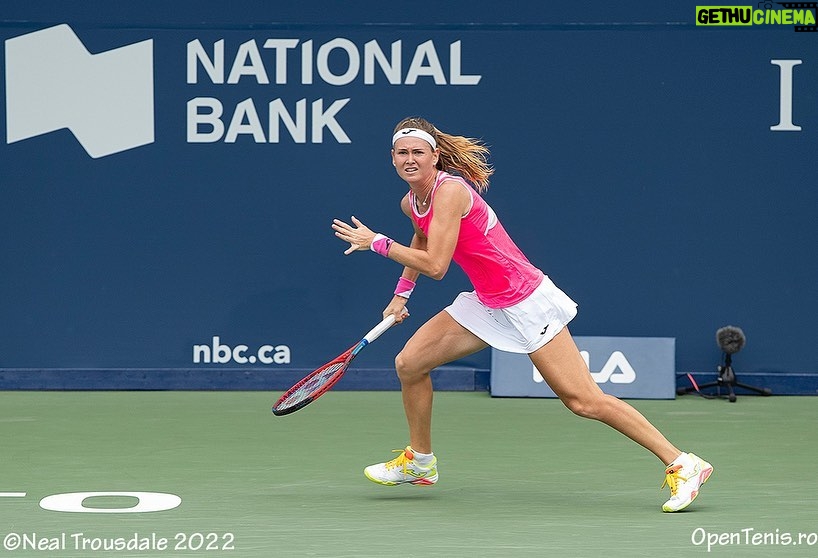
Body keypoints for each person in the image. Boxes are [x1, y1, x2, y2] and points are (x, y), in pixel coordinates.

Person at [331, 116, 713, 512]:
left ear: (435, 157)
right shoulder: (412, 201)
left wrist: (376, 242)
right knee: (410, 364)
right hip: (487, 301)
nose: (410, 159)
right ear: (392, 158)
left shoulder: (450, 192)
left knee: (584, 401)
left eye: (418, 153)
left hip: (524, 299)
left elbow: (438, 265)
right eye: (403, 153)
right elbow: (422, 237)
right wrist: (402, 293)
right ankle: (420, 464)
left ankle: (683, 464)